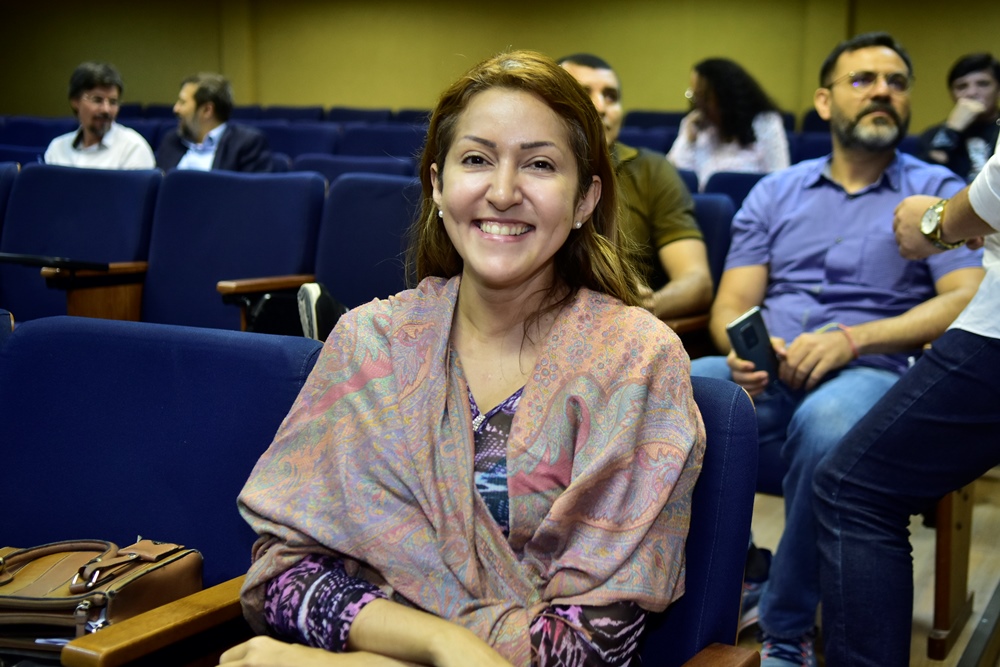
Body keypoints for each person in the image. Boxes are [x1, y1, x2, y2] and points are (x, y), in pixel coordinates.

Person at [221, 50, 705, 667]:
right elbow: (283, 576)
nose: (502, 192)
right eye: (476, 159)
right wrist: (439, 643)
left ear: (585, 200)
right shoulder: (371, 341)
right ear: (437, 184)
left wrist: (347, 662)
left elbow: (591, 645)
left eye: (539, 164)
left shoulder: (635, 362)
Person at [689, 32, 984, 666]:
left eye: (896, 82)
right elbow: (731, 302)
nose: (882, 91)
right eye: (862, 80)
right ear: (823, 102)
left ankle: (787, 626)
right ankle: (715, 587)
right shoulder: (775, 191)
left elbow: (966, 297)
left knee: (828, 427)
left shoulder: (937, 192)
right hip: (772, 367)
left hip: (873, 370)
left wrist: (854, 339)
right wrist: (745, 346)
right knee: (684, 384)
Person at [814, 153, 999, 666]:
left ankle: (785, 623)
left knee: (852, 489)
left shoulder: (929, 180)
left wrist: (939, 222)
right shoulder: (781, 189)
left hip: (977, 336)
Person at [558, 53, 712, 322]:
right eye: (583, 94)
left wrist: (646, 305)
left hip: (620, 324)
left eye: (611, 97)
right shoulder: (527, 173)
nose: (601, 107)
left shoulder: (652, 169)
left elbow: (696, 281)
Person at [667, 58, 789, 190]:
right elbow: (673, 179)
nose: (699, 104)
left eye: (704, 97)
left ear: (726, 97)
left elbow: (779, 182)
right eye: (695, 96)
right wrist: (688, 140)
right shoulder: (695, 125)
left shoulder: (765, 123)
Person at [43, 62, 155, 170]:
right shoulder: (58, 148)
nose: (106, 110)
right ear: (75, 101)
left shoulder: (133, 148)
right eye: (97, 100)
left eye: (113, 102)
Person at [156, 72, 272, 172]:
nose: (176, 108)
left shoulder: (246, 144)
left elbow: (253, 190)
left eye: (183, 102)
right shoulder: (172, 140)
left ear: (207, 110)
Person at [918, 53, 1000, 183]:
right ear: (952, 94)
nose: (972, 93)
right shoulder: (933, 135)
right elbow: (923, 182)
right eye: (962, 86)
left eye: (983, 84)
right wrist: (951, 130)